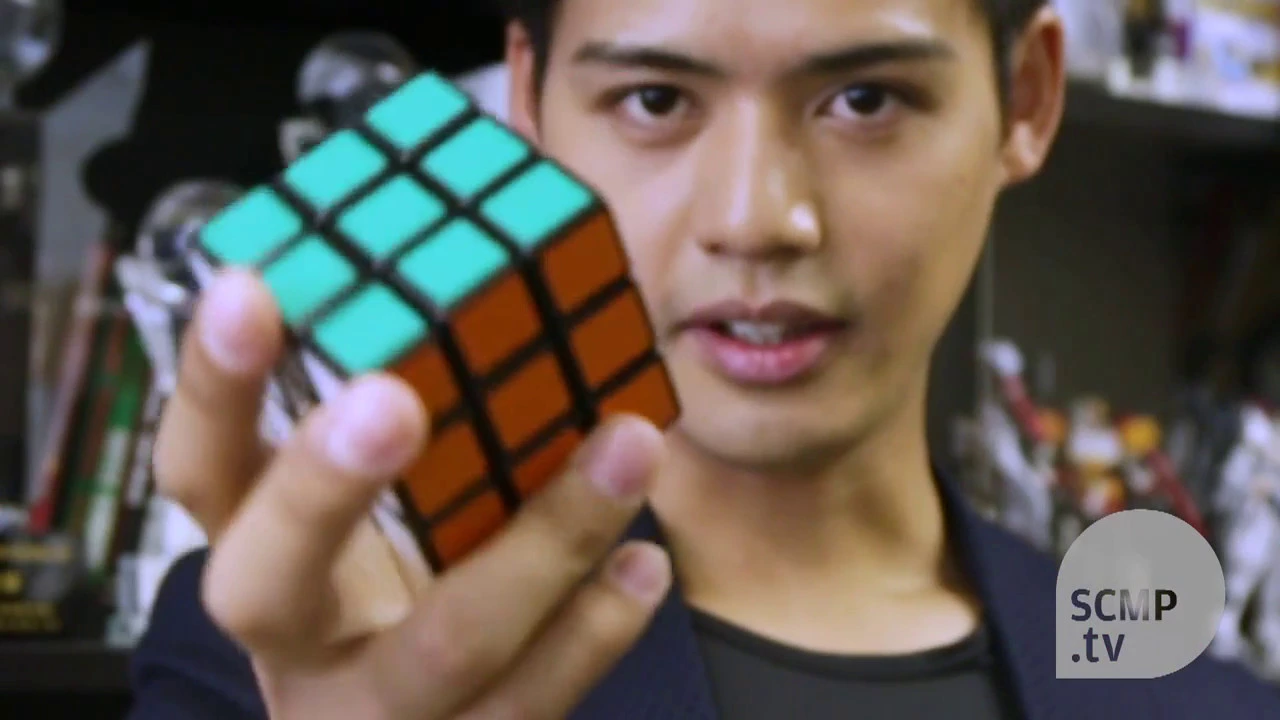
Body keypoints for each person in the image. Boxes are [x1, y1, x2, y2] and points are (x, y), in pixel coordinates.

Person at [127, 0, 1280, 718]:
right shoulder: (303, 654)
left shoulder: (1195, 701)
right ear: (528, 101)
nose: (755, 218)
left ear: (1023, 98)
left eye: (864, 99)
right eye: (654, 98)